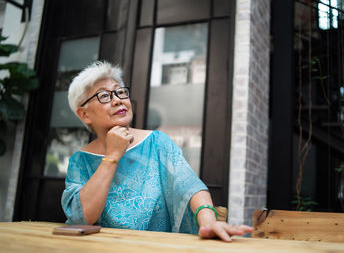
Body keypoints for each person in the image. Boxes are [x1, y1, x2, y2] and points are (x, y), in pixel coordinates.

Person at [61, 61, 253, 242]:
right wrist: (112, 156)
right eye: (104, 96)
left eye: (120, 92)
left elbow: (189, 184)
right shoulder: (80, 160)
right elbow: (82, 217)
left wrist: (208, 219)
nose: (118, 100)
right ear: (84, 114)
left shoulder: (157, 142)